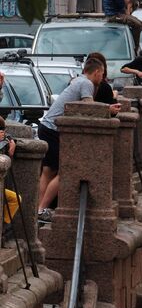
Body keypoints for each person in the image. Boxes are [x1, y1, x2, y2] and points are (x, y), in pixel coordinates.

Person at [37, 57, 120, 219]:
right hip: (54, 129)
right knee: (66, 170)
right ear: (96, 72)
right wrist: (108, 109)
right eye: (102, 74)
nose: (102, 78)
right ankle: (42, 208)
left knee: (48, 171)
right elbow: (88, 106)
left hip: (46, 126)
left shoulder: (77, 81)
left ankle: (37, 210)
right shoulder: (86, 83)